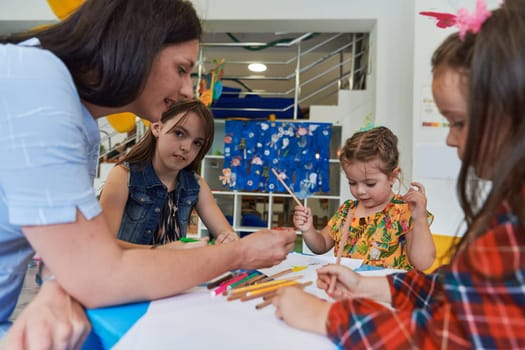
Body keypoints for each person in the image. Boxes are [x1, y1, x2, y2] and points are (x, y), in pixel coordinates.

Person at [0, 0, 297, 348]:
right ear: (137, 44)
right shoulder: (41, 91)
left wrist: (67, 284)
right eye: (182, 69)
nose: (188, 90)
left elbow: (77, 259)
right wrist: (240, 253)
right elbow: (99, 275)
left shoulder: (75, 118)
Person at [271, 1, 525, 348]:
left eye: (459, 123)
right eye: (353, 183)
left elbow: (448, 337)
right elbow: (455, 288)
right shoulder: (346, 213)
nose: (450, 139)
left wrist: (324, 316)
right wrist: (367, 286)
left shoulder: (508, 221)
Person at [100, 99, 239, 248]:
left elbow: (230, 239)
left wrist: (228, 240)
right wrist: (164, 251)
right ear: (156, 127)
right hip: (130, 270)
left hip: (175, 270)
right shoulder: (123, 175)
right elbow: (103, 245)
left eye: (197, 143)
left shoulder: (196, 185)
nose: (186, 147)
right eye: (179, 133)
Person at [293, 126, 435, 271]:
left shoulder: (404, 212)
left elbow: (423, 263)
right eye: (352, 182)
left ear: (392, 177)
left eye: (370, 183)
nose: (360, 191)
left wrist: (420, 218)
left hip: (385, 292)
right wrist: (308, 230)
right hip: (346, 290)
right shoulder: (346, 210)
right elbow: (321, 245)